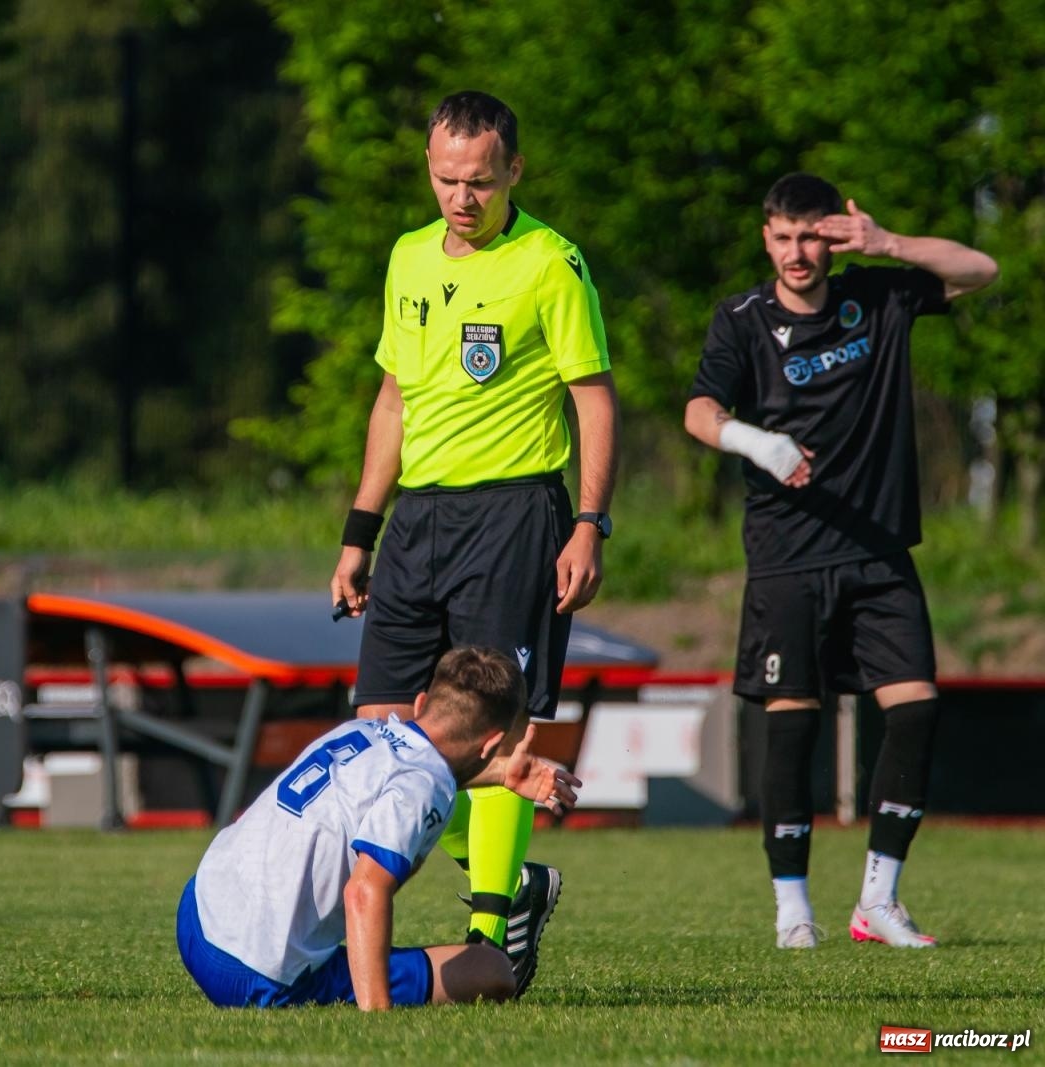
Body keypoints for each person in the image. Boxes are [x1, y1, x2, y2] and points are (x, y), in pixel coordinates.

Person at [328, 90, 618, 995]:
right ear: (430, 169)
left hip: (514, 517)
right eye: (449, 179)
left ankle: (493, 928)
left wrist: (589, 523)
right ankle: (516, 878)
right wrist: (358, 534)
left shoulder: (549, 262)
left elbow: (595, 400)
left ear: (514, 173)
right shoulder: (408, 257)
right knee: (382, 732)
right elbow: (393, 402)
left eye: (482, 182)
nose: (463, 198)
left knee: (495, 730)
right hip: (418, 519)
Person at [684, 172, 998, 949]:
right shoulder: (743, 320)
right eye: (785, 237)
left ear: (833, 237)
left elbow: (980, 270)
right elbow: (698, 410)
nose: (799, 252)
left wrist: (888, 242)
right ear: (767, 237)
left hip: (880, 550)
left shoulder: (879, 298)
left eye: (813, 236)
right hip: (789, 556)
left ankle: (879, 900)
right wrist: (756, 441)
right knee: (794, 730)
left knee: (917, 709)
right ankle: (793, 907)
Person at [178, 646, 580, 1010]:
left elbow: (412, 774)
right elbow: (364, 891)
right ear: (492, 744)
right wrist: (378, 1019)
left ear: (422, 702)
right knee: (492, 970)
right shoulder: (423, 787)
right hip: (254, 975)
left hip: (196, 916)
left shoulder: (361, 731)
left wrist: (498, 775)